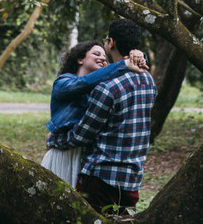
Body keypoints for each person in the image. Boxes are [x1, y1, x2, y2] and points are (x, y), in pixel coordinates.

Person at [50, 18, 156, 215]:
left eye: (105, 43)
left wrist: (54, 139)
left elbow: (82, 135)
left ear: (112, 43)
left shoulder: (107, 87)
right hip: (132, 178)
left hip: (102, 177)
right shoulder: (149, 81)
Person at [40, 38, 146, 186]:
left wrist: (139, 55)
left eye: (105, 56)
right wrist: (122, 65)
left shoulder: (102, 87)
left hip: (89, 157)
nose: (102, 58)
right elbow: (82, 84)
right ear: (80, 59)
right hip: (63, 153)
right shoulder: (63, 83)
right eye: (96, 54)